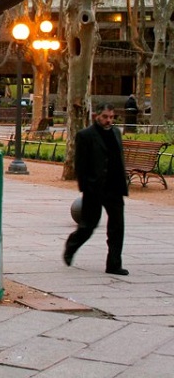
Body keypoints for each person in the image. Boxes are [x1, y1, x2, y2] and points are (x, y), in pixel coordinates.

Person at [63, 102, 129, 275]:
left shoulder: (115, 133)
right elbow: (81, 165)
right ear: (97, 116)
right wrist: (86, 187)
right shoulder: (85, 136)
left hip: (114, 187)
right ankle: (72, 246)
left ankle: (114, 264)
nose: (109, 120)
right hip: (95, 188)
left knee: (117, 227)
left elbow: (118, 158)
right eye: (105, 117)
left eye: (111, 117)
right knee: (88, 225)